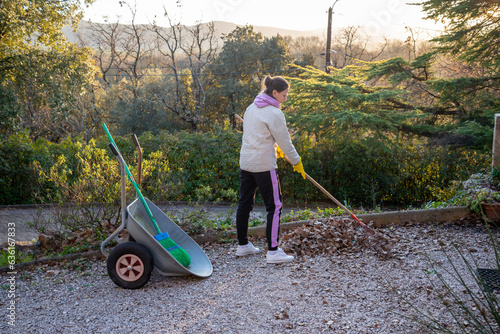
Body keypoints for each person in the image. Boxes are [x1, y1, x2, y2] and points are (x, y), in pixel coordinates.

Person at [235, 75, 305, 264]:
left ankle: (243, 245)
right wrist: (296, 161)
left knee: (244, 204)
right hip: (264, 166)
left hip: (247, 163)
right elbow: (285, 142)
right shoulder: (274, 113)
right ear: (274, 93)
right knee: (275, 207)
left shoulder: (251, 108)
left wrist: (278, 149)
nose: (285, 99)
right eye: (284, 95)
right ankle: (273, 252)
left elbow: (259, 136)